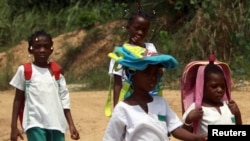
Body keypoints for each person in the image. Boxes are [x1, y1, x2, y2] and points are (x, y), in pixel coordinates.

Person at [103, 45, 207, 141]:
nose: (153, 78)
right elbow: (111, 138)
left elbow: (175, 129)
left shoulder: (161, 103)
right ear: (132, 74)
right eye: (147, 73)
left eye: (156, 74)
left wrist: (196, 138)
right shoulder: (122, 109)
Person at [9, 30, 80, 141]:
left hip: (56, 124)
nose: (42, 50)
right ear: (30, 50)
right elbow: (18, 99)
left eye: (46, 46)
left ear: (51, 49)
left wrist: (71, 124)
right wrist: (14, 126)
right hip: (34, 123)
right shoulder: (25, 71)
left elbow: (64, 100)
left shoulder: (57, 72)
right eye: (37, 47)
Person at [108, 10, 158, 108]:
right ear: (128, 27)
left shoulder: (150, 48)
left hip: (150, 97)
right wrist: (116, 109)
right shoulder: (119, 53)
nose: (140, 32)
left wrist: (142, 49)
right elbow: (117, 83)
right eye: (137, 28)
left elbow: (159, 71)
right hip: (128, 100)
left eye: (144, 30)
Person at [182, 58, 242, 135]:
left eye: (223, 86)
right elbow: (184, 135)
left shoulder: (229, 106)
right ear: (202, 87)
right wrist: (189, 120)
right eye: (214, 86)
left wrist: (238, 115)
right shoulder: (197, 109)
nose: (220, 90)